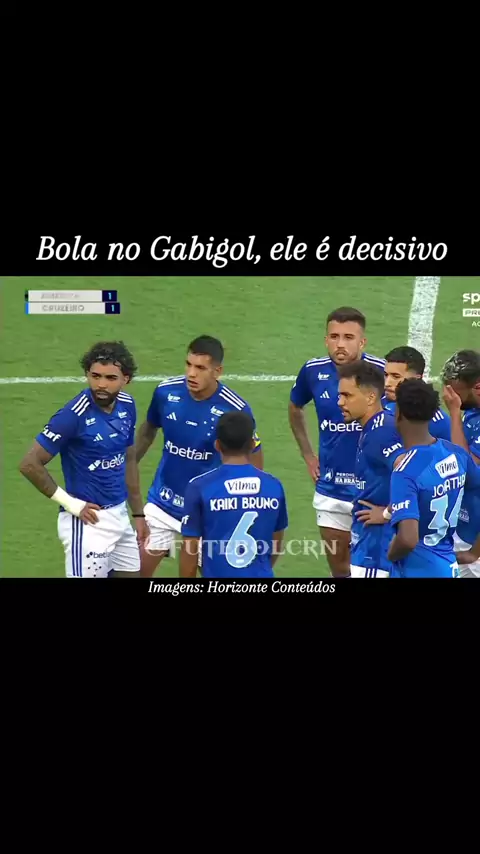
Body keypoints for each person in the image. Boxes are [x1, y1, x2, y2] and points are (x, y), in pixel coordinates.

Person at [136, 336, 263, 578]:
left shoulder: (234, 409)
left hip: (208, 511)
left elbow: (253, 454)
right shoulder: (166, 392)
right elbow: (148, 430)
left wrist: (248, 500)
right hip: (163, 502)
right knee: (134, 573)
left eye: (201, 368)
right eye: (189, 364)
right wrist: (127, 465)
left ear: (217, 371)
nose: (191, 374)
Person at [19, 341, 147, 578]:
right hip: (88, 524)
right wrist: (72, 505)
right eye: (95, 376)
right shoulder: (72, 415)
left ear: (126, 379)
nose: (101, 385)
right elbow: (29, 464)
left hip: (120, 516)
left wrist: (138, 514)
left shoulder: (127, 406)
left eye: (110, 378)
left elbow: (128, 458)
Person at [289, 306, 385, 577]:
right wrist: (308, 455)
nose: (340, 344)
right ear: (326, 339)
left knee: (372, 568)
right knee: (340, 569)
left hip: (373, 491)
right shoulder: (312, 371)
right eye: (334, 336)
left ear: (362, 342)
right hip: (331, 490)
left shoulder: (381, 372)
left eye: (348, 337)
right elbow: (295, 407)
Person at [387, 378, 480, 577]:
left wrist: (390, 554)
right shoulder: (456, 454)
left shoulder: (405, 471)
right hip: (448, 566)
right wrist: (475, 552)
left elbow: (407, 539)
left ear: (399, 414)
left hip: (417, 570)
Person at [179, 412, 287, 578]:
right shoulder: (274, 486)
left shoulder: (200, 487)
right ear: (252, 444)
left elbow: (190, 550)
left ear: (217, 445)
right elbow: (275, 545)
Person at [337, 360, 404, 578]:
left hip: (376, 550)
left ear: (370, 397)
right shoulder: (376, 426)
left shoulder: (380, 433)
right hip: (369, 544)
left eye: (347, 395)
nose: (340, 402)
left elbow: (414, 473)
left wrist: (387, 513)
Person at [441, 349, 480, 577]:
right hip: (465, 530)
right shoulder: (474, 411)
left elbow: (466, 468)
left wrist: (454, 413)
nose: (448, 394)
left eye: (454, 390)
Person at [383, 346, 450, 439]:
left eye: (396, 377)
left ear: (415, 379)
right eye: (386, 375)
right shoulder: (381, 398)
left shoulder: (432, 421)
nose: (387, 383)